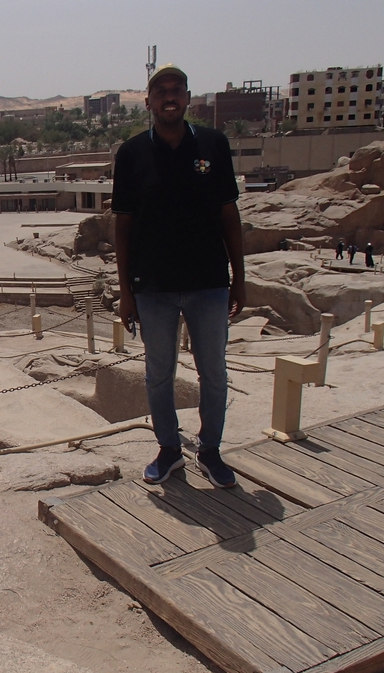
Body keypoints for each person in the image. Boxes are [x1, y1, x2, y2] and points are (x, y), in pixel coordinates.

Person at [112, 64, 244, 489]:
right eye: (160, 91)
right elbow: (124, 226)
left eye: (177, 90)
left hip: (208, 281)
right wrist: (125, 291)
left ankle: (209, 451)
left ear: (187, 98)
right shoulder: (131, 154)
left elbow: (229, 214)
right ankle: (169, 449)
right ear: (148, 101)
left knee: (214, 373)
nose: (169, 98)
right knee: (158, 373)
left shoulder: (213, 144)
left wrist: (239, 278)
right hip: (153, 286)